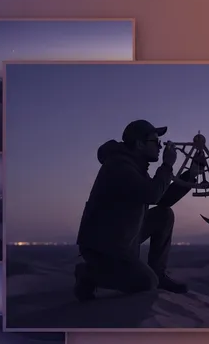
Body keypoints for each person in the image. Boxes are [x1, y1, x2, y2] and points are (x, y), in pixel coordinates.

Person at [74, 119, 198, 301]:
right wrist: (167, 165)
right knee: (146, 282)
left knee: (163, 215)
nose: (160, 146)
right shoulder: (119, 166)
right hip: (104, 247)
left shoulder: (136, 167)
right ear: (140, 144)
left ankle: (159, 274)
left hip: (122, 236)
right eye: (155, 141)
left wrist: (191, 175)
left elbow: (162, 200)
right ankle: (88, 273)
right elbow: (152, 195)